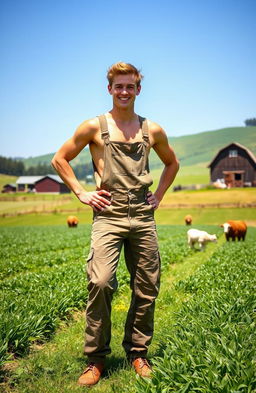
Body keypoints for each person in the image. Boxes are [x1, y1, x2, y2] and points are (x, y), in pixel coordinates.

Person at [51, 62, 179, 386]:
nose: (124, 92)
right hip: (109, 214)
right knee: (102, 281)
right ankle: (95, 359)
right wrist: (81, 192)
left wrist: (159, 195)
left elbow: (172, 163)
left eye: (130, 86)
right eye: (118, 86)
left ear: (138, 89)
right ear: (110, 89)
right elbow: (59, 158)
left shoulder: (153, 130)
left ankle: (137, 353)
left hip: (142, 212)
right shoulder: (94, 126)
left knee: (147, 287)